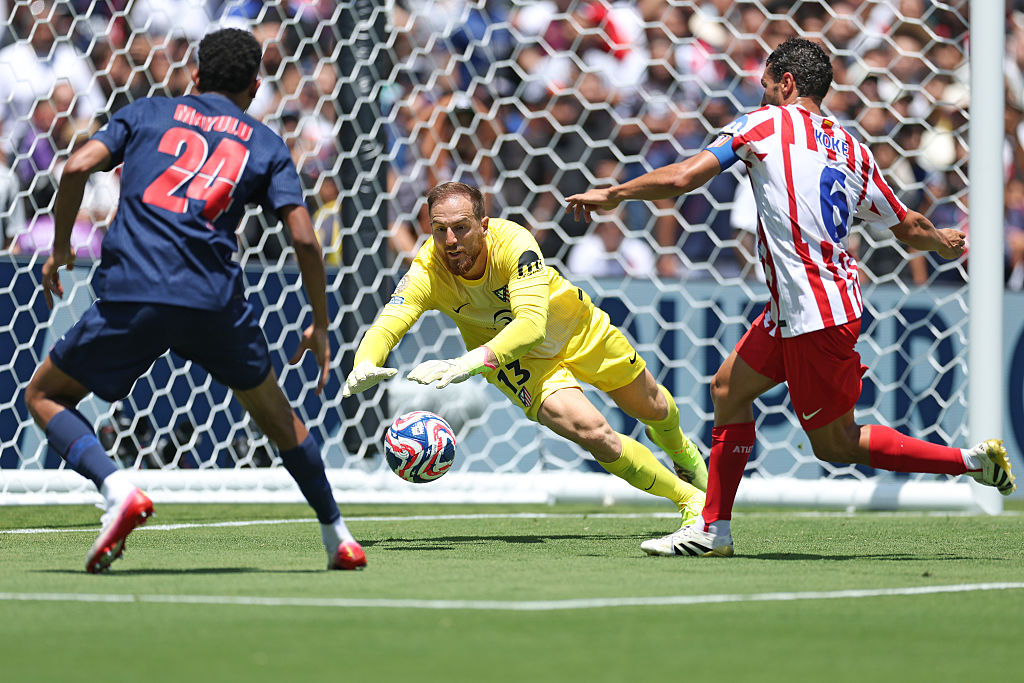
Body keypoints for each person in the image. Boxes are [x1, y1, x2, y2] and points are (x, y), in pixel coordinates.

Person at [566, 37, 1016, 558]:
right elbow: (907, 224)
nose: (760, 97)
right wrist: (939, 239)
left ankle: (971, 463)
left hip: (814, 313)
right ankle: (714, 530)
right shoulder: (854, 149)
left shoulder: (764, 125)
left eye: (765, 87)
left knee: (835, 444)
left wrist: (615, 193)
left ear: (787, 84)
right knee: (728, 389)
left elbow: (687, 177)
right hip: (803, 306)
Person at [23, 28, 366, 573]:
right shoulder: (265, 142)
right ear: (255, 88)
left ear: (197, 76)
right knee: (280, 420)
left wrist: (62, 247)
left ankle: (117, 489)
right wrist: (320, 325)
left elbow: (75, 166)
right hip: (213, 301)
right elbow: (304, 237)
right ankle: (338, 536)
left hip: (133, 290)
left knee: (43, 395)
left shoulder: (148, 114)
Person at [342, 181, 708, 533]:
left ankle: (681, 451)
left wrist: (464, 364)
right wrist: (364, 362)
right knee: (594, 433)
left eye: (461, 228)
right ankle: (691, 501)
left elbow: (532, 325)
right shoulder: (428, 269)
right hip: (517, 363)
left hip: (573, 328)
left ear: (483, 226)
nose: (451, 241)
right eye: (440, 230)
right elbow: (389, 322)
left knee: (654, 409)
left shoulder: (514, 242)